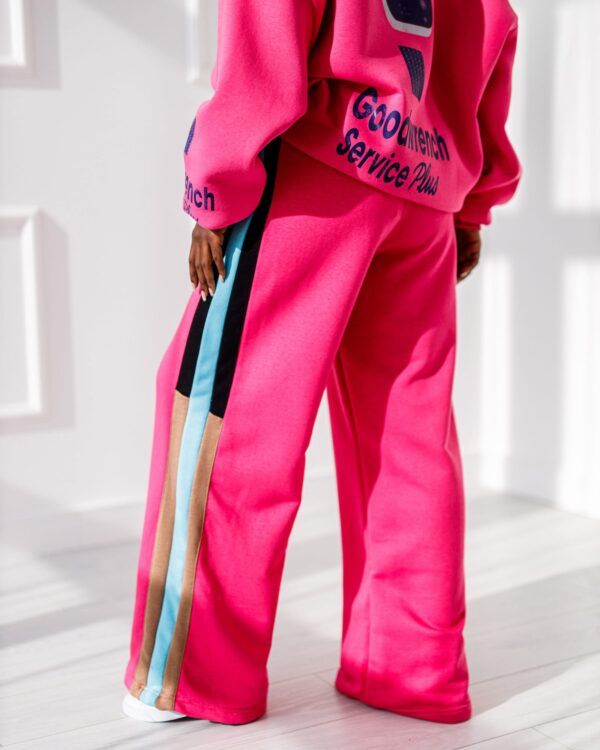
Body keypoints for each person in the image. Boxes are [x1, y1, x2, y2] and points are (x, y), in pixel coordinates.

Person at [122, 0, 522, 726]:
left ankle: (198, 681)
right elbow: (495, 32)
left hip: (318, 173)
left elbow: (265, 42)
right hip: (427, 194)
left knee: (232, 416)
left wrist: (215, 186)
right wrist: (472, 208)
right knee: (409, 443)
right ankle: (411, 671)